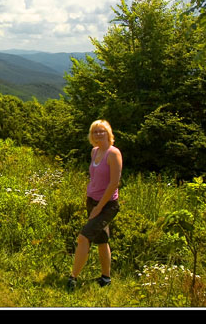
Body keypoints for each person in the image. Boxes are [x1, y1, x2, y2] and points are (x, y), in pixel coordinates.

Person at [67, 120, 123, 291]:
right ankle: (106, 278)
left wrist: (99, 209)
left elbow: (114, 183)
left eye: (102, 131)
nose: (99, 134)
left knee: (83, 237)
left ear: (109, 133)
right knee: (102, 240)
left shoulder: (114, 154)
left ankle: (73, 277)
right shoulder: (94, 152)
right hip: (92, 201)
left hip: (107, 206)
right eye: (95, 132)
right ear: (92, 135)